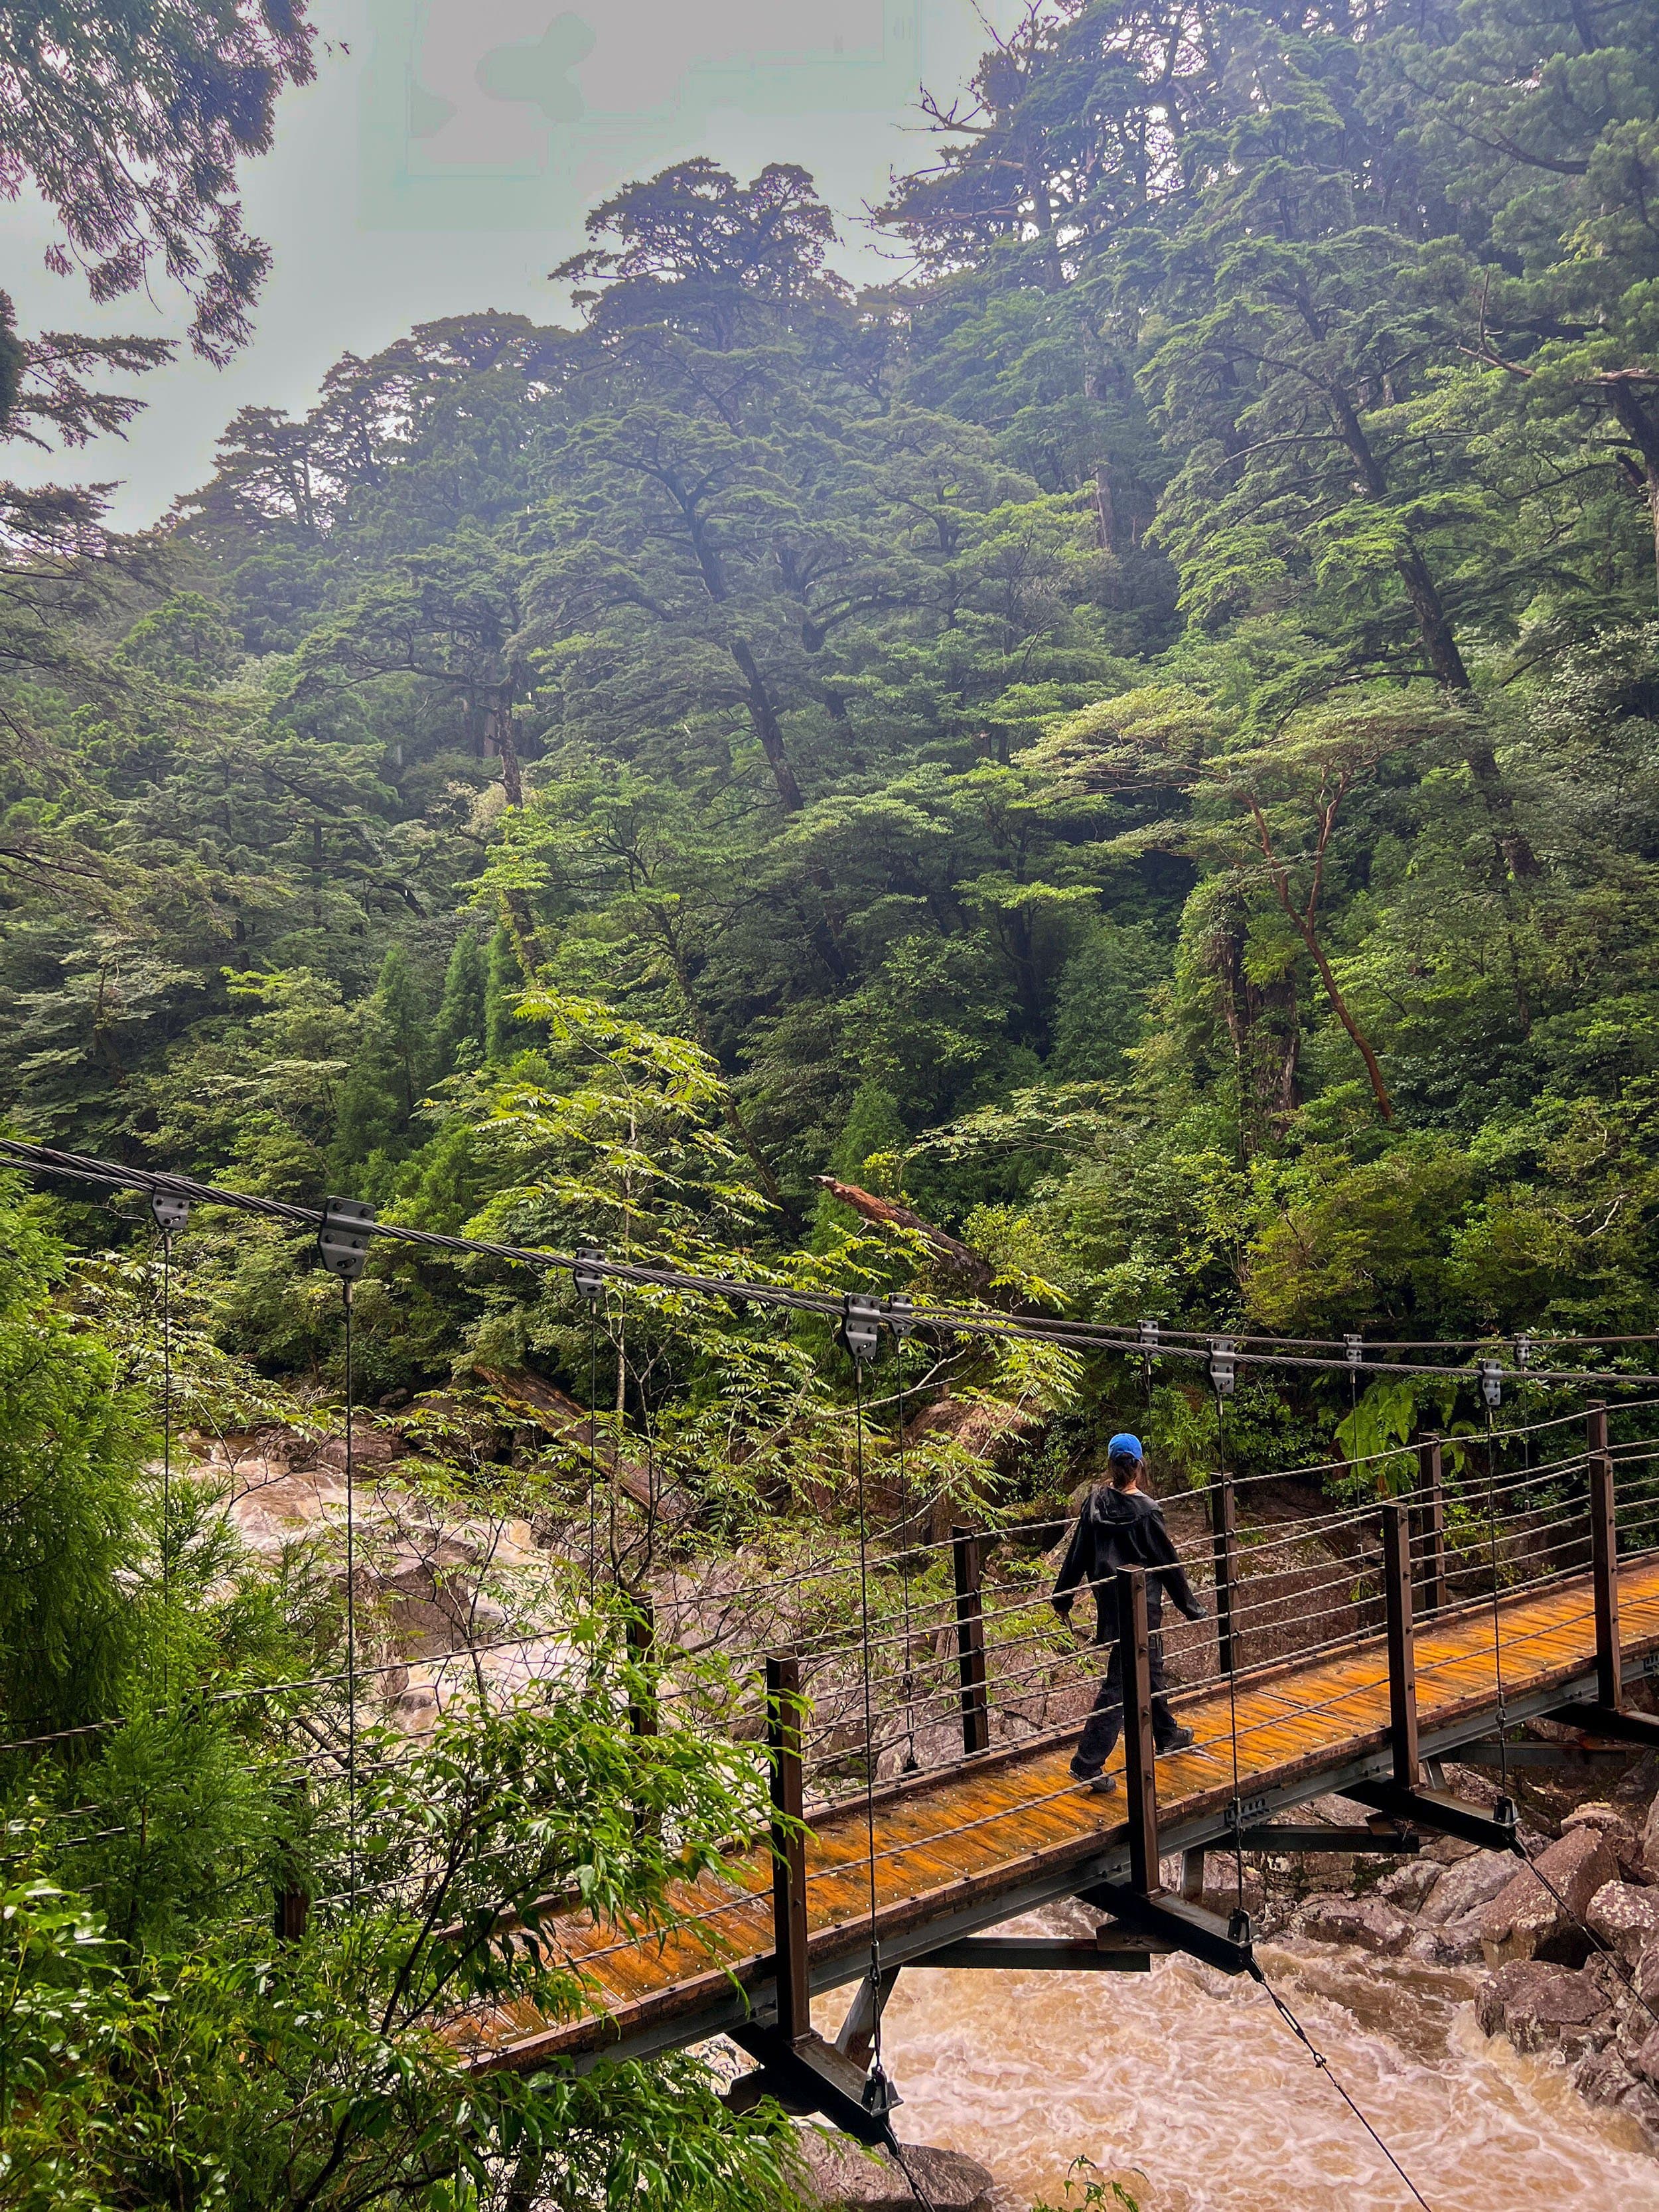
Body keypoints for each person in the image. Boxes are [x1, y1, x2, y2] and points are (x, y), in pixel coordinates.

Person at [1053, 1432, 1206, 1793]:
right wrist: (1191, 1606)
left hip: (1109, 1601)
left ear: (1110, 1465)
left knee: (1150, 1665)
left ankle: (1167, 1734)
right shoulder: (1148, 1511)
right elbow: (1168, 1564)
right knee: (1122, 1682)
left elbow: (1076, 1555)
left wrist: (1063, 1598)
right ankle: (1086, 1762)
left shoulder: (1094, 1504)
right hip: (1143, 1605)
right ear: (1139, 1466)